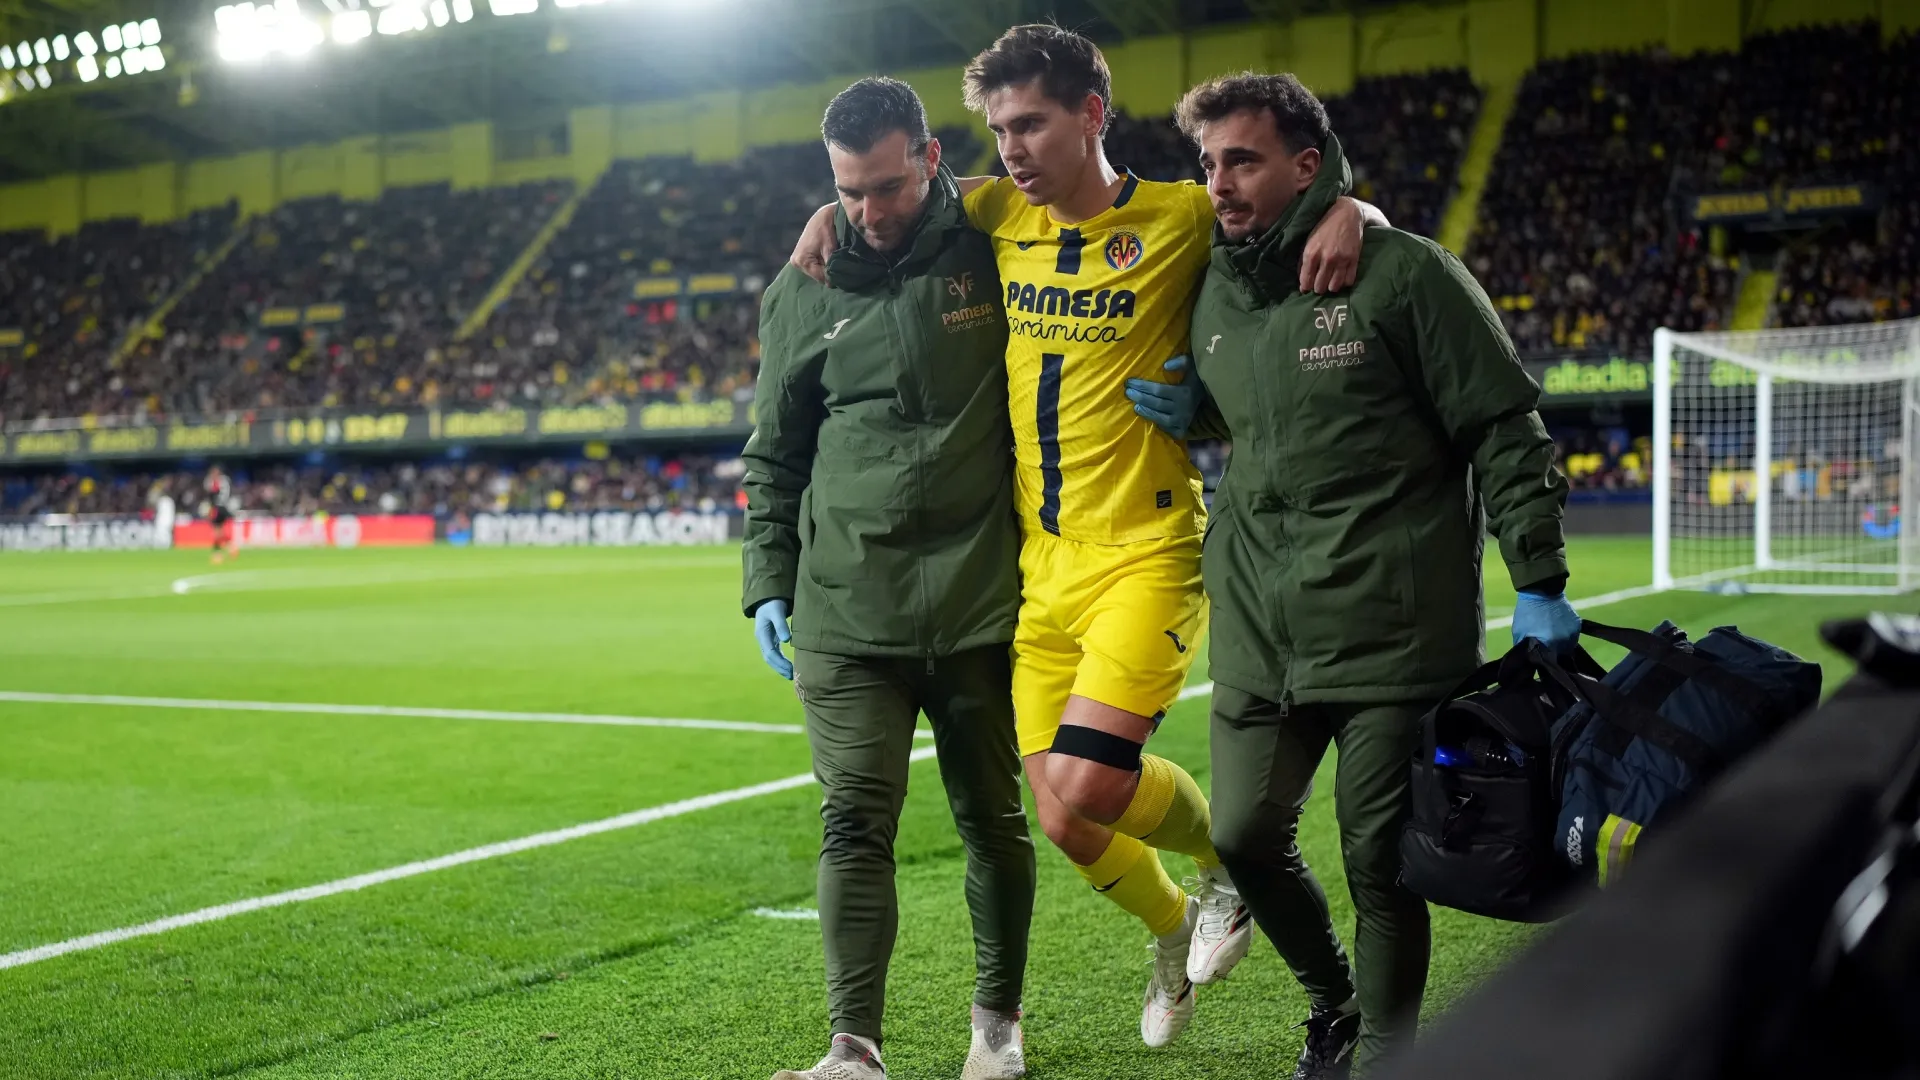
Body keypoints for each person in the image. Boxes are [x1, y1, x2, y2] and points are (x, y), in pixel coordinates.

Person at [791, 25, 1382, 1049]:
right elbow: (903, 189)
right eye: (999, 128)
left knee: (1095, 782)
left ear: (1092, 115)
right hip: (1042, 567)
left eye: (1031, 123)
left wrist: (1354, 209)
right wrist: (822, 212)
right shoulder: (991, 211)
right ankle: (1173, 924)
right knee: (1061, 817)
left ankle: (1226, 873)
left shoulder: (1181, 215)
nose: (1011, 147)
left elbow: (1289, 197)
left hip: (1147, 550)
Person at [1169, 73, 1579, 1078]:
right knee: (1242, 833)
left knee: (1379, 863)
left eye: (1244, 159)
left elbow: (1503, 425)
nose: (1218, 182)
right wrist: (1202, 419)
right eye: (1209, 162)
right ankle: (1336, 1006)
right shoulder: (1212, 286)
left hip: (1395, 628)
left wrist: (1539, 575)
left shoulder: (1406, 275)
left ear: (1309, 166)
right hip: (1262, 627)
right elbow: (1260, 410)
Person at [742, 77, 1037, 1080]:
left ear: (931, 159)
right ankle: (853, 1051)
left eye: (886, 186)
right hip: (844, 608)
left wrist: (1349, 202)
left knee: (992, 821)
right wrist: (766, 582)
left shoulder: (1003, 244)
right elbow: (773, 454)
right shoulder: (804, 286)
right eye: (848, 191)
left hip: (984, 600)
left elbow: (1142, 217)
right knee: (853, 819)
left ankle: (997, 1026)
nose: (868, 213)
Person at [205, 465, 236, 565]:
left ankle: (218, 553)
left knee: (216, 531)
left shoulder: (219, 481)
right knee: (219, 531)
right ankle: (230, 547)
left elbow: (213, 494)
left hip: (219, 508)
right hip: (220, 507)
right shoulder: (221, 480)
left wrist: (211, 509)